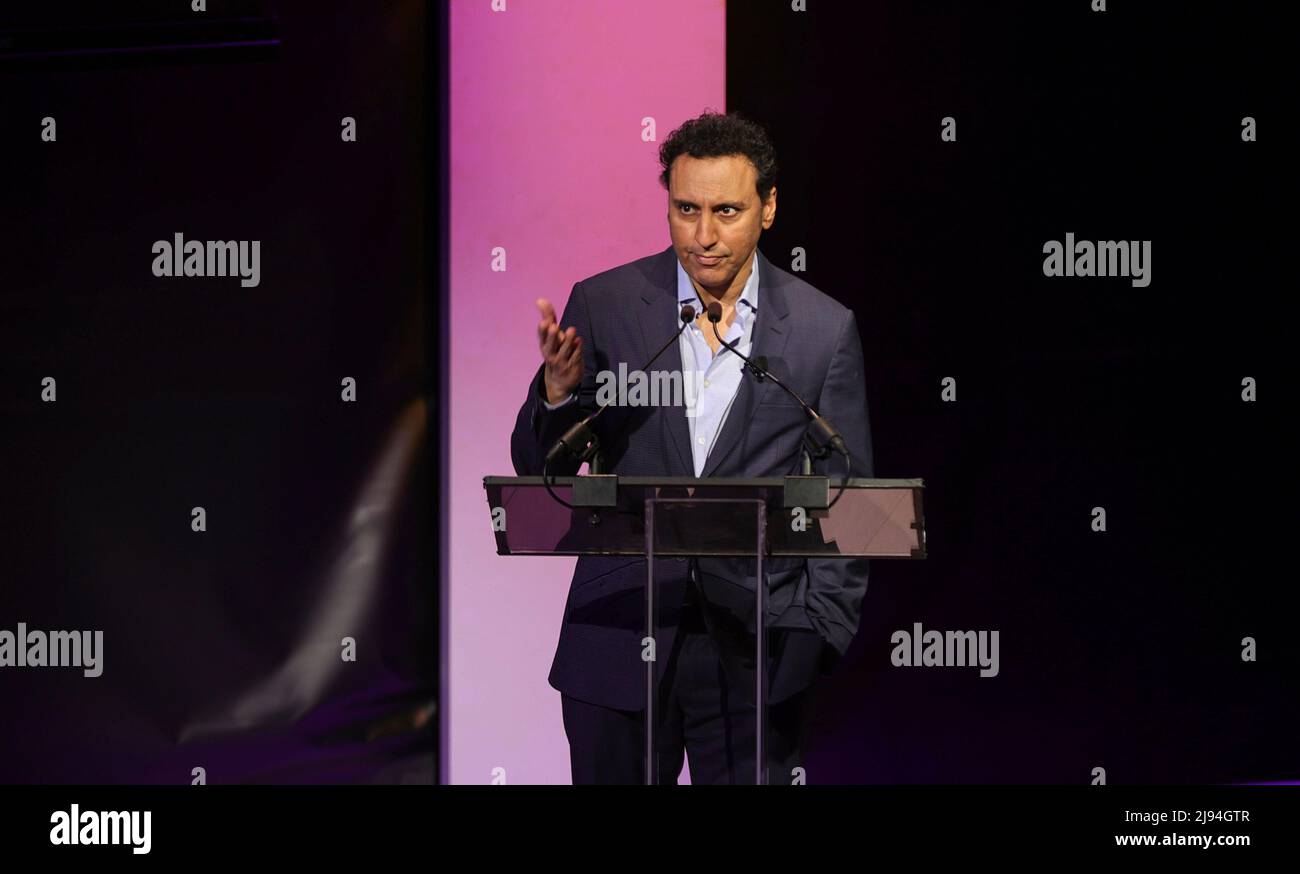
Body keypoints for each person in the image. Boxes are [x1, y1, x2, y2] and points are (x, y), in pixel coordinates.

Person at [511, 111, 873, 784]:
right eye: (686, 209)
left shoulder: (823, 329)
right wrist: (557, 396)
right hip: (618, 639)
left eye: (727, 211)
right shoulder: (607, 305)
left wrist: (821, 628)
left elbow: (849, 496)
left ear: (769, 208)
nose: (703, 236)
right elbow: (541, 476)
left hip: (758, 647)